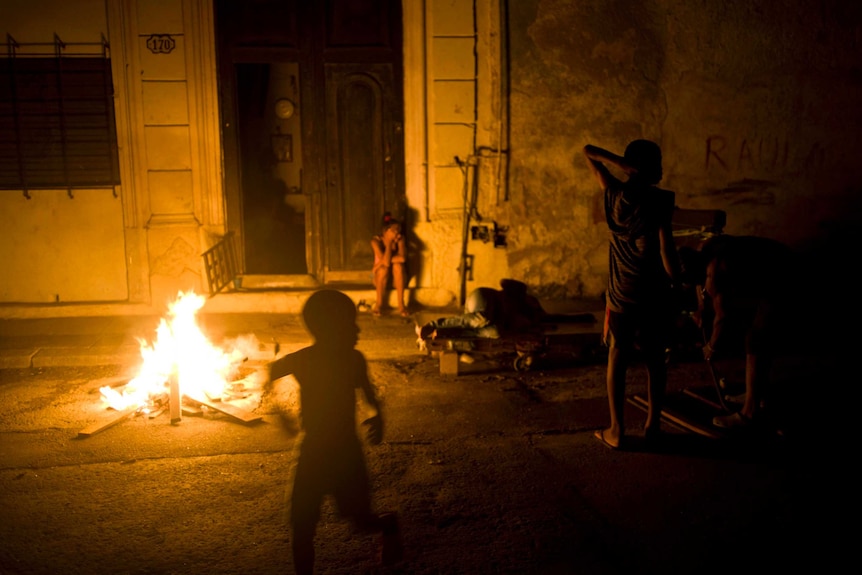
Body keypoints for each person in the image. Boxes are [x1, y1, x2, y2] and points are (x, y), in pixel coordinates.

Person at [263, 289, 402, 574]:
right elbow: (271, 371)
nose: (357, 329)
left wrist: (378, 417)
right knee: (301, 525)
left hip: (345, 452)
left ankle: (388, 525)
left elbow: (370, 397)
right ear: (327, 328)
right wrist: (280, 415)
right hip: (312, 451)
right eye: (349, 323)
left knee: (362, 521)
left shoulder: (353, 360)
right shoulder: (305, 359)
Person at [584, 140, 681, 449]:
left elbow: (589, 152)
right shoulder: (660, 201)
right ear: (652, 166)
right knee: (655, 361)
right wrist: (679, 281)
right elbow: (667, 251)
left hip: (622, 294)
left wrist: (622, 166)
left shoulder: (614, 195)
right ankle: (653, 426)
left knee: (617, 356)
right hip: (653, 293)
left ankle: (617, 430)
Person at [681, 235, 797, 430]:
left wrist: (711, 346)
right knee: (754, 335)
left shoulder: (714, 272)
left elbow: (722, 317)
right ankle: (757, 393)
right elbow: (700, 286)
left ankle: (750, 413)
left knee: (756, 340)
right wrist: (701, 308)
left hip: (784, 277)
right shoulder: (705, 249)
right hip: (776, 265)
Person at [416, 279, 548, 342]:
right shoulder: (519, 298)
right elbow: (504, 284)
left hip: (485, 319)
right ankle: (430, 326)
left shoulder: (523, 317)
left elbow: (510, 326)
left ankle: (444, 332)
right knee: (482, 318)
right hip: (483, 298)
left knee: (495, 332)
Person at [371, 212, 408, 316]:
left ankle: (401, 305)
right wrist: (388, 243)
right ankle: (379, 304)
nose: (398, 234)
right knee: (383, 269)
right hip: (379, 279)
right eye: (395, 231)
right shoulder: (375, 241)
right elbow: (386, 263)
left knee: (398, 266)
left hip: (398, 280)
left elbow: (402, 258)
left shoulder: (400, 239)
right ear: (386, 231)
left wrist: (378, 264)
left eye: (399, 230)